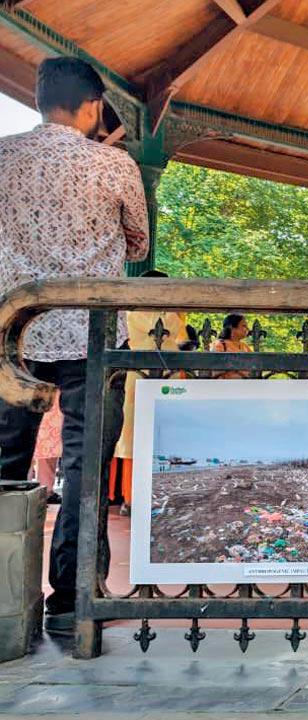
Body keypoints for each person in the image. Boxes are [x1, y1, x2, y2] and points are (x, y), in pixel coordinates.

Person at [0, 57, 147, 636]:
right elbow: (137, 244)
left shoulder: (2, 156)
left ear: (39, 100)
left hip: (14, 335)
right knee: (87, 469)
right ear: (92, 105)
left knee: (7, 467)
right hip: (90, 337)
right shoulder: (113, 165)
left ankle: (6, 600)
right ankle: (73, 599)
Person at [112, 270, 193, 516]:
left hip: (160, 372)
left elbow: (181, 337)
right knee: (136, 435)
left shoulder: (156, 310)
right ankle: (132, 496)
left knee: (160, 433)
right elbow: (175, 334)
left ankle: (151, 494)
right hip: (144, 372)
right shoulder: (142, 311)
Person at [210, 313, 252, 379]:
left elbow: (252, 370)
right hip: (224, 386)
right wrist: (239, 369)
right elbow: (216, 371)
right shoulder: (219, 344)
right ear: (232, 327)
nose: (247, 329)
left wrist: (233, 366)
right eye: (244, 326)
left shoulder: (245, 346)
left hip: (244, 385)